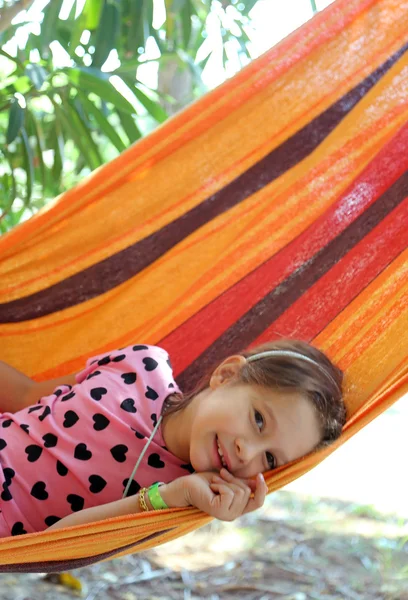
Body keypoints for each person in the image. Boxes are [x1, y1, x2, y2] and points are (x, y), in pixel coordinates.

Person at [0, 339, 346, 537]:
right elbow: (26, 396)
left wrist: (165, 497)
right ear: (226, 376)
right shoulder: (139, 365)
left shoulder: (182, 493)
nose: (247, 452)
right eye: (258, 420)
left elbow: (55, 544)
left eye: (270, 459)